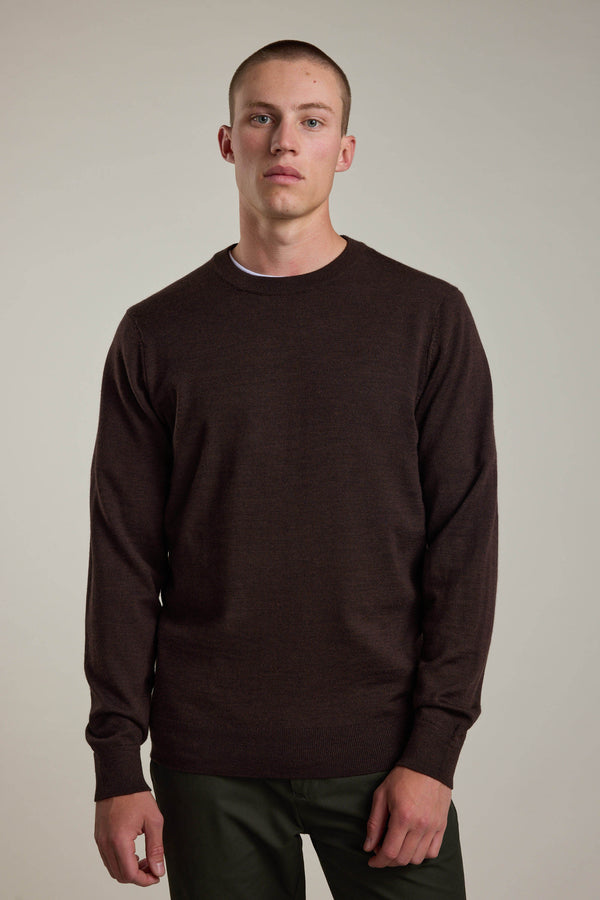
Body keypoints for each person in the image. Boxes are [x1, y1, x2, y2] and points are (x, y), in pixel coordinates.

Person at [85, 39, 498, 899]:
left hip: (386, 757)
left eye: (311, 121)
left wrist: (435, 751)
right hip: (211, 760)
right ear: (228, 141)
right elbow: (123, 557)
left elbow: (464, 545)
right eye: (261, 118)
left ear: (343, 151)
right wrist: (119, 764)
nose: (285, 141)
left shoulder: (427, 320)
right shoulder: (156, 335)